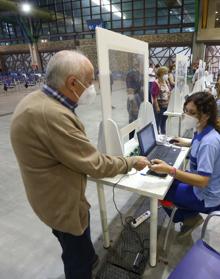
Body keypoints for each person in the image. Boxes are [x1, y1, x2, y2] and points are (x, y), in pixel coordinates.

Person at [10, 50, 149, 279]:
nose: (92, 87)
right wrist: (131, 162)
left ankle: (88, 257)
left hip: (50, 197)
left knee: (78, 247)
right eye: (89, 81)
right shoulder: (51, 115)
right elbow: (94, 164)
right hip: (62, 205)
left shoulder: (39, 100)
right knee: (77, 259)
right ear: (72, 83)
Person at [149, 92, 220, 238]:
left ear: (206, 115)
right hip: (202, 188)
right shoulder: (203, 131)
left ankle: (187, 218)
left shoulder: (209, 143)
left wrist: (170, 170)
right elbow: (198, 143)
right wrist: (186, 143)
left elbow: (202, 181)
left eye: (192, 113)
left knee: (156, 190)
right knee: (163, 180)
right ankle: (190, 214)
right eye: (186, 111)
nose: (186, 116)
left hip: (205, 196)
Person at [126, 62, 144, 139]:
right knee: (132, 120)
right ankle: (131, 139)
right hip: (133, 98)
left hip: (139, 97)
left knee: (138, 121)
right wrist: (133, 103)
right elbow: (129, 89)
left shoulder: (139, 73)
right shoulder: (131, 74)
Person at [151, 66, 171, 134]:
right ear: (161, 74)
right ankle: (157, 135)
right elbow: (154, 97)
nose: (167, 75)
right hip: (159, 106)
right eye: (165, 73)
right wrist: (157, 107)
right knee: (157, 122)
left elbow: (169, 92)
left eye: (167, 73)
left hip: (166, 106)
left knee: (164, 122)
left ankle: (163, 135)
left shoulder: (166, 82)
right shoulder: (156, 83)